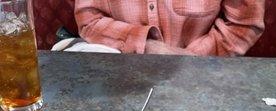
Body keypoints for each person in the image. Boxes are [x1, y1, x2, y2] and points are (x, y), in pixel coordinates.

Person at [74, 0, 265, 56]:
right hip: (122, 79)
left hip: (204, 80)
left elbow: (245, 24)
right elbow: (89, 20)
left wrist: (191, 58)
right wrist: (145, 45)